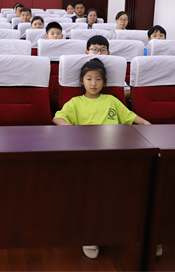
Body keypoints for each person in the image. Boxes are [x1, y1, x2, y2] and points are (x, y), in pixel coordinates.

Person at [52, 58, 149, 260]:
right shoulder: (76, 102)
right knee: (94, 192)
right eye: (89, 79)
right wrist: (74, 131)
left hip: (115, 151)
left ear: (104, 82)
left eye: (98, 79)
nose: (94, 83)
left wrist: (148, 125)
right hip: (89, 153)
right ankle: (91, 234)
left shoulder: (111, 100)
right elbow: (58, 118)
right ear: (81, 81)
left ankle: (141, 234)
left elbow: (131, 117)